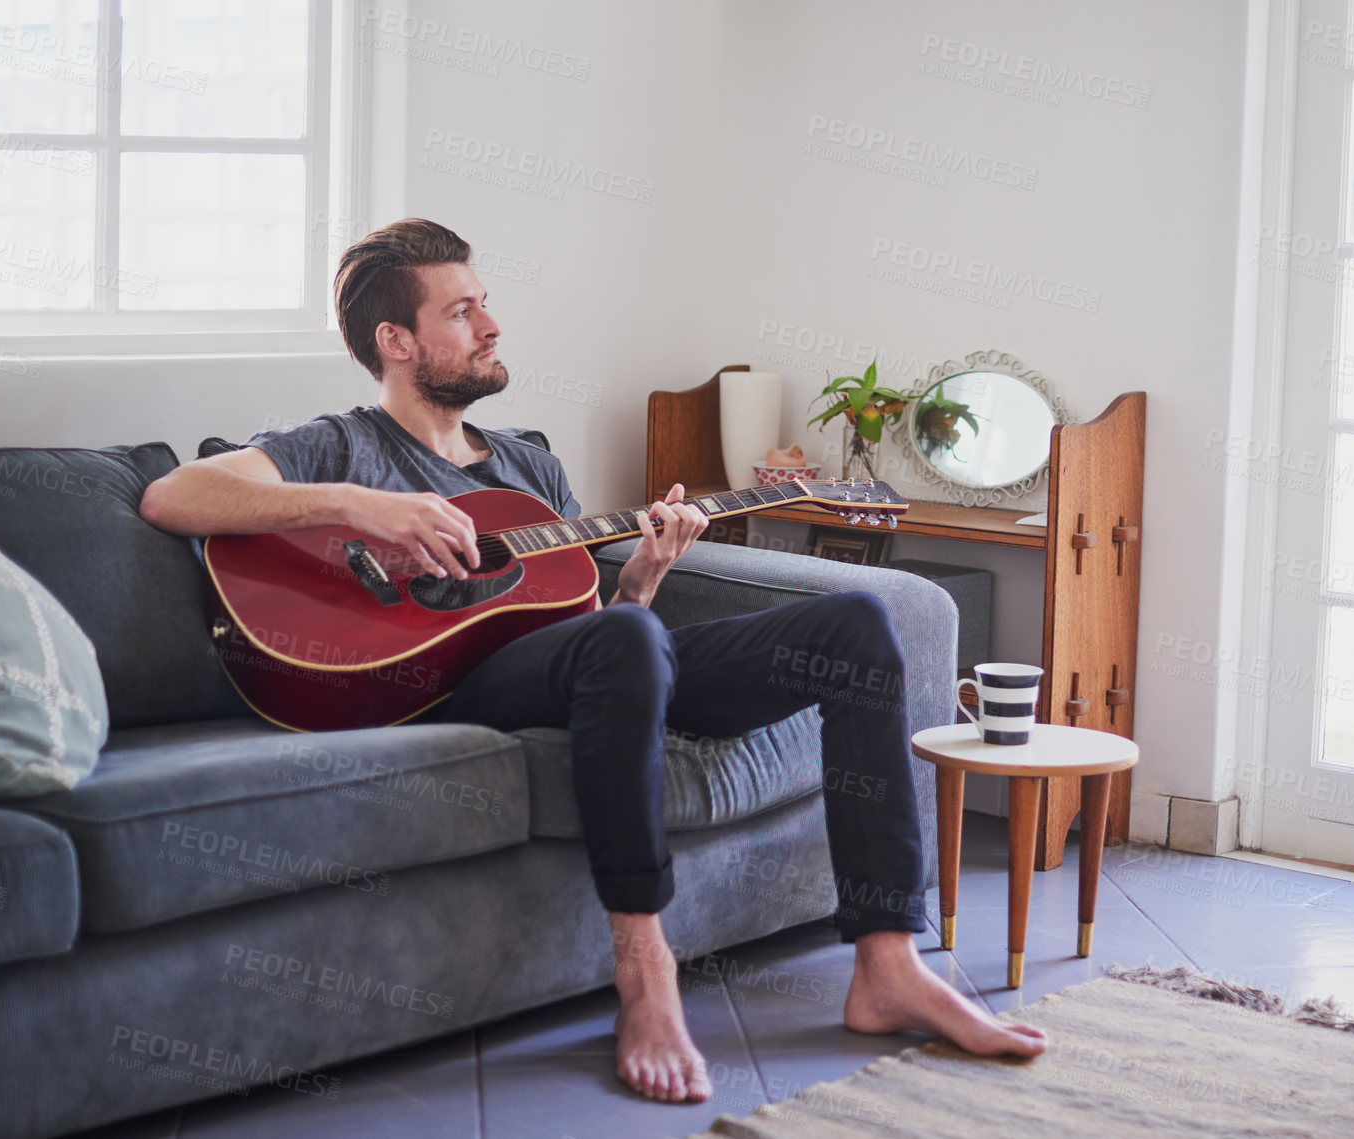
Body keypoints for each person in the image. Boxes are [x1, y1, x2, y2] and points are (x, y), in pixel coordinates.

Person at [138, 218, 1047, 1105]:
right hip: (450, 686)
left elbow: (598, 633)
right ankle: (644, 967)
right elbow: (172, 494)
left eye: (485, 303)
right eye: (461, 312)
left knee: (852, 621)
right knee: (626, 639)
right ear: (396, 340)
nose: (491, 326)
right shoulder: (346, 445)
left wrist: (645, 575)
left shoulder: (529, 464)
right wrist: (365, 508)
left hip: (577, 666)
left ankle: (886, 962)